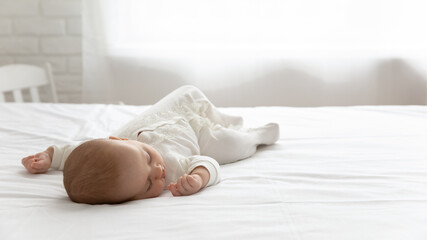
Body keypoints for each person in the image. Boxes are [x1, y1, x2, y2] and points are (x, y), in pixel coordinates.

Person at [21, 85, 280, 204]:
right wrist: (199, 179)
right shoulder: (174, 170)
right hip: (196, 138)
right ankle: (257, 135)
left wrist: (48, 156)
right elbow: (208, 163)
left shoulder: (111, 144)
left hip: (164, 117)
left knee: (188, 91)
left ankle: (219, 116)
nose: (157, 171)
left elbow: (72, 153)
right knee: (229, 145)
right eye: (147, 185)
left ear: (120, 141)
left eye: (146, 157)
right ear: (132, 197)